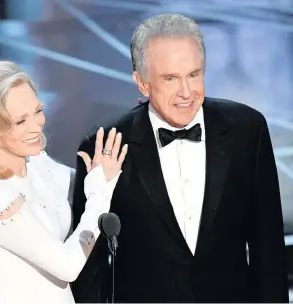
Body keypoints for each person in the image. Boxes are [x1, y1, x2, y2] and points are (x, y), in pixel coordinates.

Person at [72, 13, 288, 303]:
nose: (186, 92)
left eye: (194, 75)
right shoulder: (107, 144)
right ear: (142, 83)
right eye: (171, 78)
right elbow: (91, 265)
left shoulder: (247, 129)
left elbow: (268, 247)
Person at [0, 60, 128, 303]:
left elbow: (90, 179)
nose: (37, 125)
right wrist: (99, 196)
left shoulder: (35, 163)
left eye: (38, 111)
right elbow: (67, 266)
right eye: (21, 121)